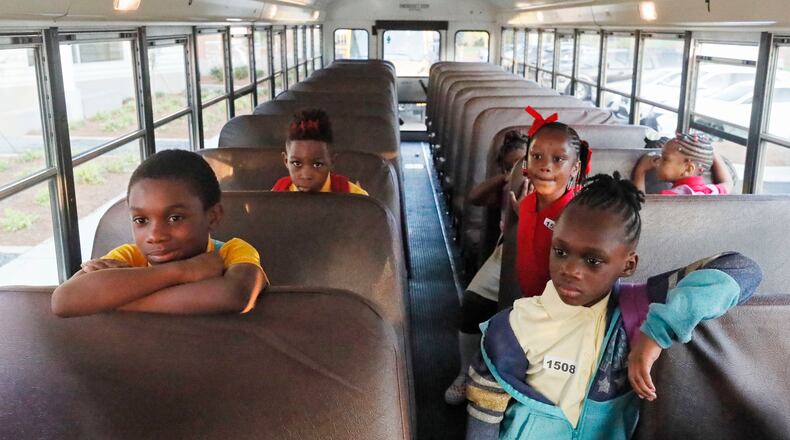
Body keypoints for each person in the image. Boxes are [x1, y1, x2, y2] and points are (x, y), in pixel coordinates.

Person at [465, 173, 761, 439]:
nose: (571, 269)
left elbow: (742, 269)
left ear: (628, 264)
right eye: (561, 251)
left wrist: (656, 334)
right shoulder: (515, 325)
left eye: (593, 260)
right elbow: (485, 405)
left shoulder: (639, 309)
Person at [51, 150, 268, 317]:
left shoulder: (231, 252)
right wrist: (184, 271)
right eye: (141, 220)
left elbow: (234, 295)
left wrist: (111, 300)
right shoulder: (129, 256)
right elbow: (63, 300)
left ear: (213, 216)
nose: (155, 235)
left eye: (175, 218)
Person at [444, 130, 528, 405]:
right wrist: (507, 179)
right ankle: (465, 372)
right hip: (508, 254)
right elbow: (475, 197)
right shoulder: (505, 190)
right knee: (473, 301)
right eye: (512, 166)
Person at [512, 108, 591, 299]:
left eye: (558, 159)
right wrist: (520, 209)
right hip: (529, 302)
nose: (545, 166)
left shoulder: (578, 215)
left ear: (575, 168)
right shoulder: (527, 203)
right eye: (537, 156)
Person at [272, 108, 368, 195]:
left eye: (317, 164)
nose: (306, 175)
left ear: (332, 162)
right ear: (286, 161)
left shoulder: (354, 197)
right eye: (296, 163)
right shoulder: (277, 194)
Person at [631, 133, 733, 195]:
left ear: (688, 169)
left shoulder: (668, 196)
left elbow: (640, 208)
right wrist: (711, 151)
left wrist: (641, 170)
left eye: (665, 159)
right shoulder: (713, 192)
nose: (657, 161)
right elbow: (728, 183)